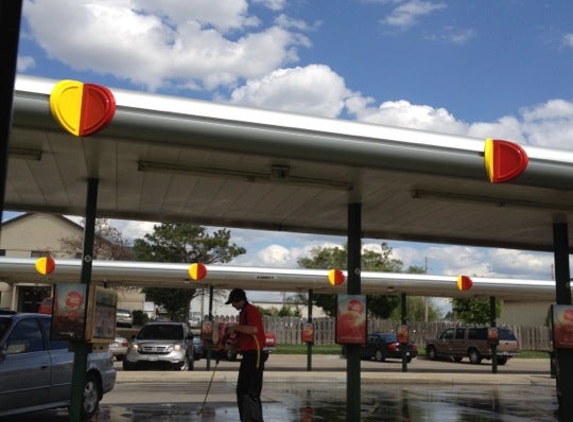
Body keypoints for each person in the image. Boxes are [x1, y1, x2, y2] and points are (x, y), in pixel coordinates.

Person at [226, 288, 266, 422]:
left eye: (233, 302)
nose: (232, 305)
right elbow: (245, 338)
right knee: (242, 391)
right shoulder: (243, 313)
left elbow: (254, 330)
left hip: (255, 356)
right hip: (249, 354)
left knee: (250, 392)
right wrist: (232, 346)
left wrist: (235, 327)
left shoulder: (251, 311)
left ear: (239, 300)